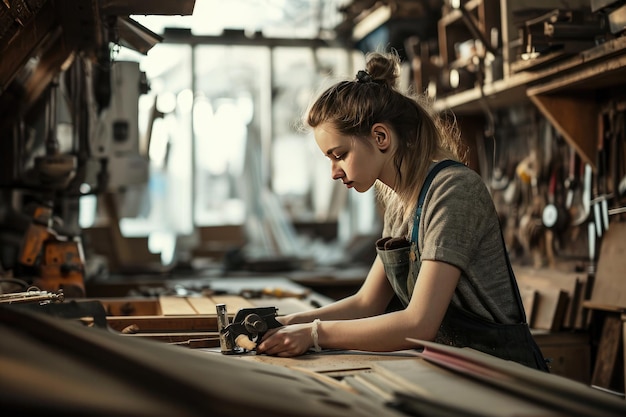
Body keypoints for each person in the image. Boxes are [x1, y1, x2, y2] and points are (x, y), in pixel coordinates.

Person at [256, 51, 548, 371]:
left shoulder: (453, 191)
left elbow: (419, 323)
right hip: (457, 369)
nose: (334, 172)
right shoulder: (400, 204)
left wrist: (314, 334)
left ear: (380, 137)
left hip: (505, 375)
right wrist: (286, 322)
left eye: (339, 155)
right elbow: (367, 303)